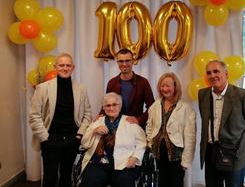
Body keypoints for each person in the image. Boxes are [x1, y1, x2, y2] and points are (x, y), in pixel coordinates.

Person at [29, 53, 92, 187]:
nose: (65, 68)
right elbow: (34, 115)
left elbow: (87, 114)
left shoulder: (81, 88)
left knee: (66, 175)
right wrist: (45, 137)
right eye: (61, 65)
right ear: (55, 67)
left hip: (72, 139)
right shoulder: (43, 88)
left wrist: (79, 135)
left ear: (73, 67)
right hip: (50, 139)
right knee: (50, 177)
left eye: (68, 65)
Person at [198, 60, 245, 187]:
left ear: (226, 74)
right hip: (210, 152)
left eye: (216, 71)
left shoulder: (242, 95)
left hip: (235, 153)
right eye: (209, 73)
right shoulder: (202, 94)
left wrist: (240, 140)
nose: (212, 75)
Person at [79, 92, 146, 187]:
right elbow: (84, 143)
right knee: (90, 182)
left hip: (123, 163)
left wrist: (135, 158)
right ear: (104, 108)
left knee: (124, 182)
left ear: (120, 106)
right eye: (108, 105)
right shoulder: (98, 121)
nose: (111, 108)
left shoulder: (129, 121)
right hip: (98, 163)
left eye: (114, 105)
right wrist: (94, 131)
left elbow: (142, 143)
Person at [146, 72, 196, 187]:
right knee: (162, 183)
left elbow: (190, 137)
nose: (164, 88)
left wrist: (186, 160)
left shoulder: (186, 109)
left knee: (176, 183)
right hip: (159, 154)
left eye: (168, 86)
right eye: (162, 86)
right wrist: (150, 143)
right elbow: (149, 127)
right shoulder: (155, 106)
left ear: (175, 87)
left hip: (176, 157)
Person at [103, 48, 154, 128]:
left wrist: (139, 120)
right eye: (121, 61)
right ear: (117, 62)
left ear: (133, 61)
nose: (124, 64)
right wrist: (99, 116)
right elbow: (107, 104)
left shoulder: (143, 82)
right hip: (115, 128)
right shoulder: (112, 83)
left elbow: (152, 107)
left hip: (136, 127)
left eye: (127, 61)